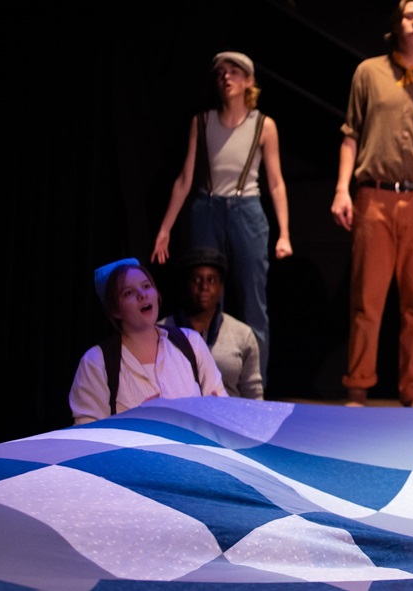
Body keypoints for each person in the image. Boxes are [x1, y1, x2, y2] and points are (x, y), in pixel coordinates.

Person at [330, 0, 413, 408]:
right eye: (409, 16)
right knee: (367, 299)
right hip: (374, 195)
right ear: (398, 24)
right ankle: (358, 387)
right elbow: (350, 134)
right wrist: (341, 189)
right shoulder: (368, 72)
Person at [151, 50, 292, 386]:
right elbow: (185, 179)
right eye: (220, 73)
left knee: (252, 301)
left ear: (249, 81)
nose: (226, 77)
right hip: (207, 208)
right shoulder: (202, 121)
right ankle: (204, 384)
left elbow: (275, 181)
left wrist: (285, 233)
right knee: (205, 300)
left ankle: (253, 387)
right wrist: (165, 229)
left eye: (234, 72)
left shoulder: (263, 125)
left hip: (247, 211)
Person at [70, 259, 226, 425]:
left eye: (146, 286)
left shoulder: (191, 343)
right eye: (128, 292)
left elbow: (221, 405)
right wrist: (139, 421)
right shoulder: (96, 363)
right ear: (115, 310)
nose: (142, 295)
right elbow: (89, 435)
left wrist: (217, 411)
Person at [161, 247, 264, 400]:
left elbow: (253, 391)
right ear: (185, 285)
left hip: (231, 419)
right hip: (180, 419)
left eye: (211, 280)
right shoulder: (162, 331)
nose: (204, 287)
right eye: (196, 280)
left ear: (221, 288)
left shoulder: (242, 333)